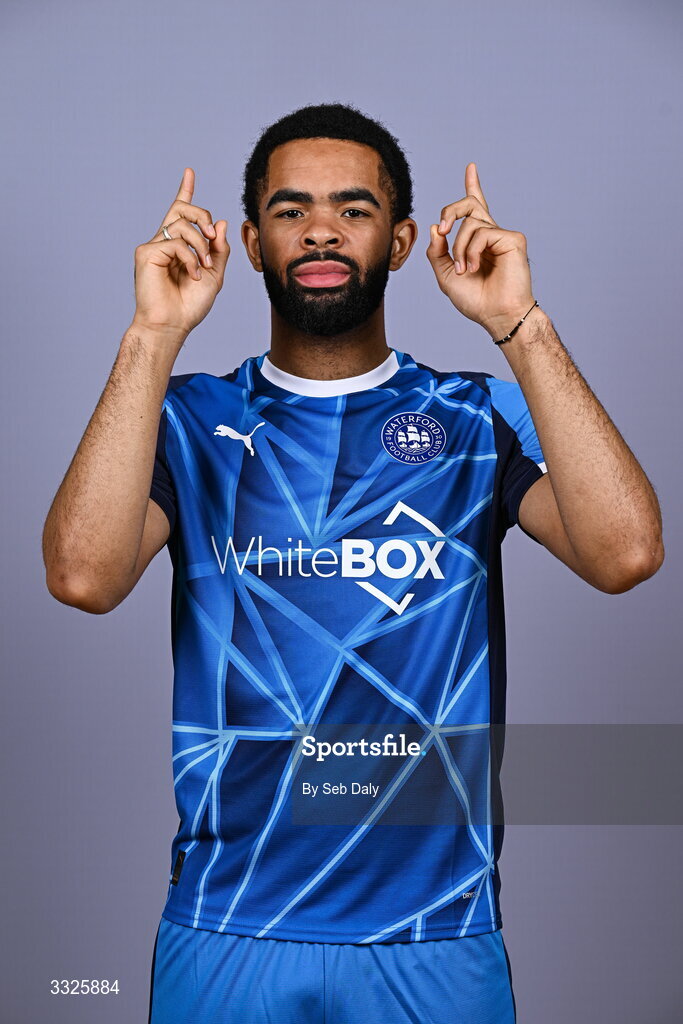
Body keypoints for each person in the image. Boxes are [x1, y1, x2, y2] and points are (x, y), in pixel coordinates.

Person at [42, 102, 664, 1023]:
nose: (321, 228)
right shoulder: (181, 417)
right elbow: (83, 577)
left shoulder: (475, 415)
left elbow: (625, 554)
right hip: (228, 925)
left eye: (354, 208)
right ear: (250, 243)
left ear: (403, 239)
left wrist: (519, 321)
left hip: (433, 935)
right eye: (290, 210)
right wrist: (151, 335)